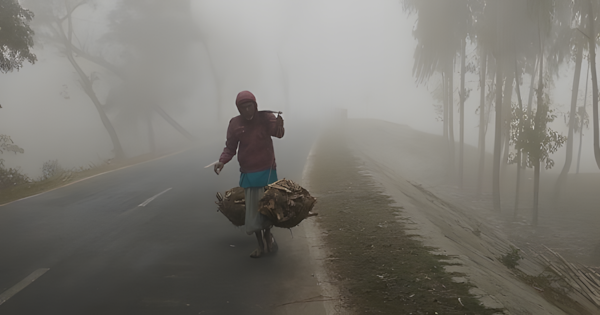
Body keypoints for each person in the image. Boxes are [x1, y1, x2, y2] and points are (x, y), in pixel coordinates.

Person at [214, 90, 285, 258]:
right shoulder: (235, 124)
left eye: (250, 106)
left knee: (267, 210)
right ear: (238, 109)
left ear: (255, 105)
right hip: (248, 172)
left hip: (267, 171)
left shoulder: (266, 118)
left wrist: (280, 125)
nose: (247, 111)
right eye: (243, 107)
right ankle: (260, 245)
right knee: (253, 213)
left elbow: (279, 134)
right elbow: (230, 147)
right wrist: (222, 161)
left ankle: (268, 237)